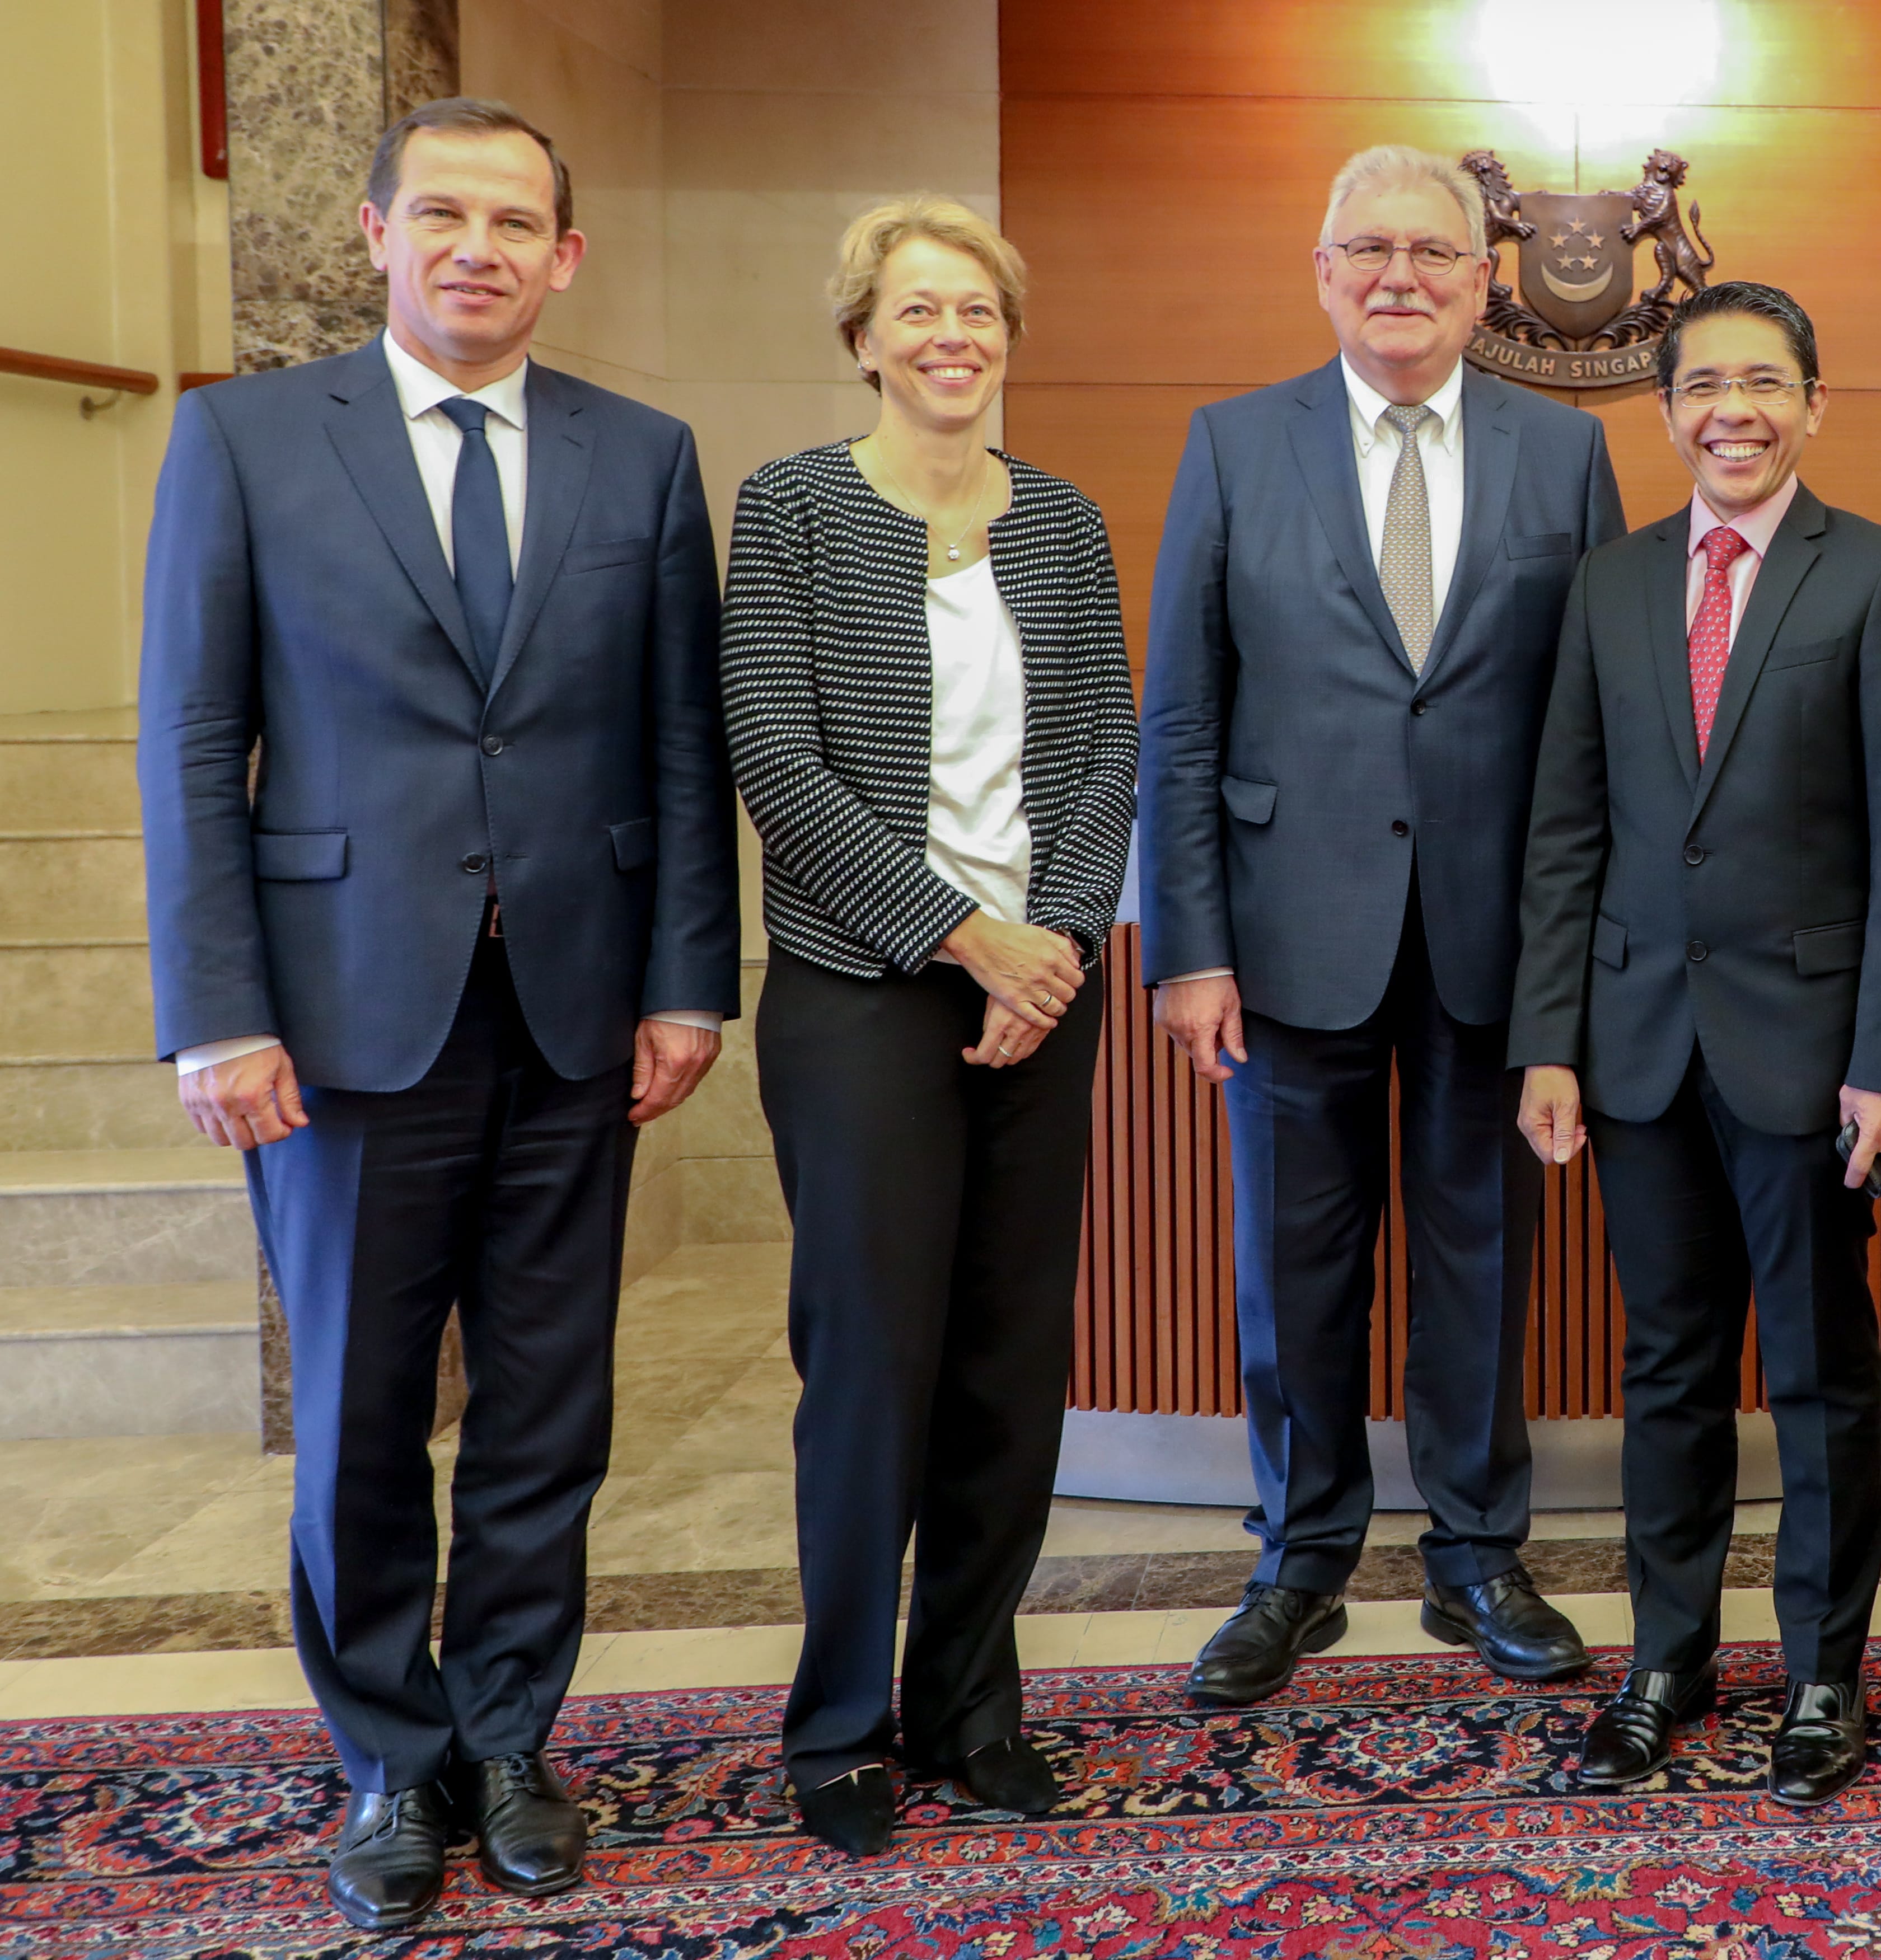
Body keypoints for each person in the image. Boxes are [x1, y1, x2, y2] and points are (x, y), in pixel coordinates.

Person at [138, 99, 739, 1930]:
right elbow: (187, 738)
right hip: (337, 1024)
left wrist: (689, 981)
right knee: (365, 1412)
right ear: (380, 236)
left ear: (566, 257)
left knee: (552, 1411)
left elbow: (680, 741)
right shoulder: (243, 438)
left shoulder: (642, 456)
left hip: (574, 1009)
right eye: (445, 214)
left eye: (518, 221)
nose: (478, 246)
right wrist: (215, 1011)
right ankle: (393, 1755)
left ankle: (510, 1734)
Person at [1139, 144, 1626, 1706]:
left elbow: (1588, 725)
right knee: (1297, 1259)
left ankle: (1480, 1551)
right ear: (1323, 270)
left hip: (1494, 933)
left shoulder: (1567, 456)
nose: (1399, 275)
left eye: (1430, 251)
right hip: (1287, 935)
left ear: (1485, 278)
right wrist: (1188, 946)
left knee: (1485, 1254)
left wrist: (1574, 961)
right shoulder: (1232, 444)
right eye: (1367, 250)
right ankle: (1300, 1555)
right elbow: (1182, 719)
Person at [720, 194, 1138, 1858]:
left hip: (1044, 996)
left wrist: (1053, 958)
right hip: (863, 994)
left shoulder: (1065, 522)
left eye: (978, 309)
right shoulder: (797, 512)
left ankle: (972, 1707)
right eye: (919, 310)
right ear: (863, 335)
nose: (951, 335)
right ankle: (840, 1722)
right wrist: (965, 937)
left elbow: (1111, 749)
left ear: (1008, 336)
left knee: (1007, 1371)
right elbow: (776, 757)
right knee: (873, 1375)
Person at [1510, 282, 1881, 1807]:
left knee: (1822, 1368)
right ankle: (1666, 1658)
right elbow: (1567, 825)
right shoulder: (1612, 584)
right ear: (1667, 412)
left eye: (1765, 381)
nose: (1733, 410)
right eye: (1703, 386)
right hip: (1635, 1045)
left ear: (1815, 403)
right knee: (1670, 1363)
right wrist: (1546, 1041)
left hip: (1814, 1051)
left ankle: (1825, 1672)